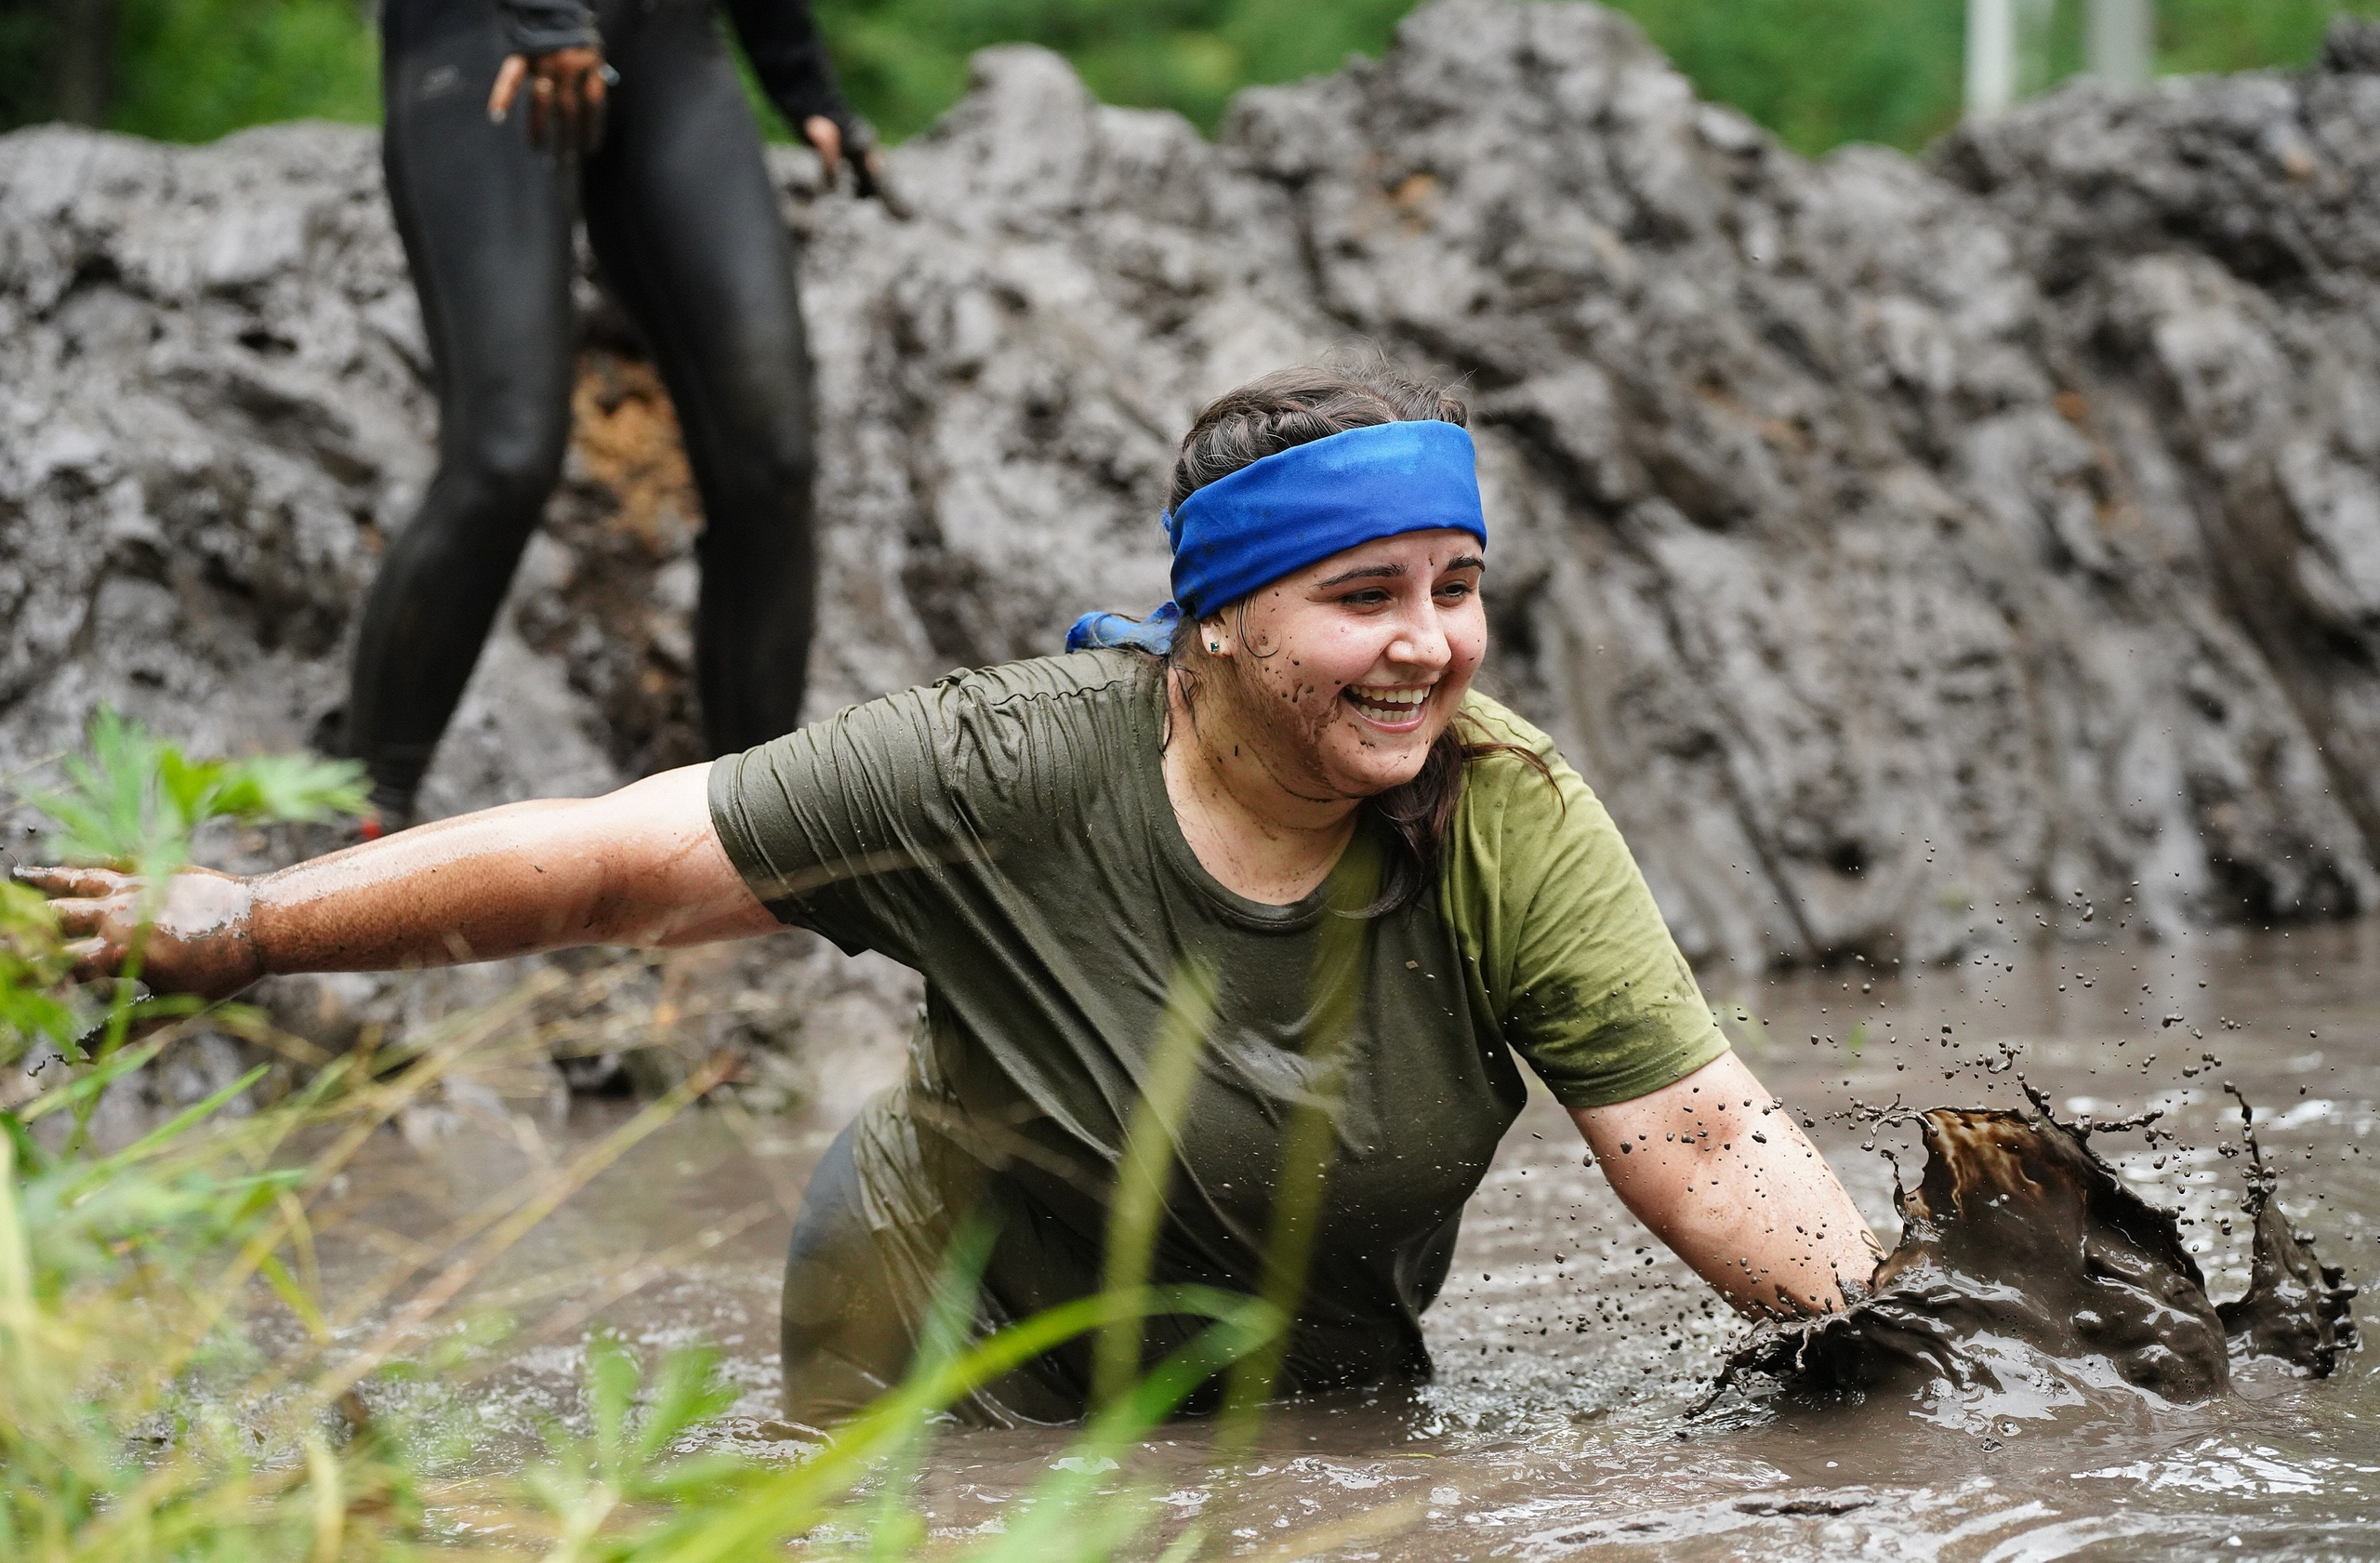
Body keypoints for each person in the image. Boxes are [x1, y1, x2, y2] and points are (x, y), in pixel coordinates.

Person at [25, 361, 1882, 1426]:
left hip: (1306, 1376)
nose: (1425, 647)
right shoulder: (1010, 767)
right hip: (931, 1368)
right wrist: (241, 923)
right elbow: (608, 859)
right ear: (1220, 619)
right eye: (1362, 594)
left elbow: (1705, 1137)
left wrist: (1907, 1354)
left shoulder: (1505, 819)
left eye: (1453, 587)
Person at [350, 0, 891, 831]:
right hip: (488, 22)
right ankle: (360, 806)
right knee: (504, 456)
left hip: (670, 28)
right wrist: (541, 7)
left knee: (772, 458)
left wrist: (799, 74)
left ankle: (756, 834)